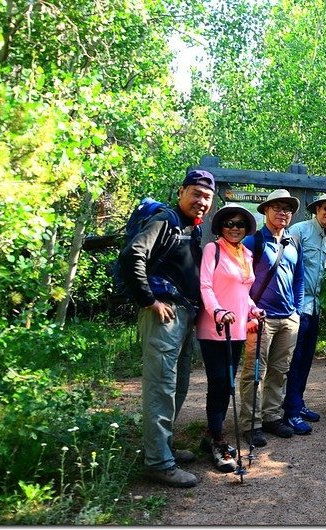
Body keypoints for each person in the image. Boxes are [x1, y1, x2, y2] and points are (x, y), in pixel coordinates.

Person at [117, 169, 215, 488]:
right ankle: (158, 462)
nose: (201, 201)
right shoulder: (165, 219)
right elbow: (133, 255)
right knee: (161, 386)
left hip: (183, 315)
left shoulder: (192, 229)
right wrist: (149, 300)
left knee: (179, 384)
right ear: (181, 192)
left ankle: (163, 447)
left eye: (207, 197)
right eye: (196, 194)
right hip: (163, 314)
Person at [197, 203, 265, 471]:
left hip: (236, 329)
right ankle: (217, 439)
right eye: (229, 223)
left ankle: (213, 435)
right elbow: (205, 285)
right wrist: (217, 311)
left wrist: (253, 309)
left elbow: (243, 292)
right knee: (219, 383)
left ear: (246, 228)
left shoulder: (246, 254)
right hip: (215, 328)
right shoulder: (212, 250)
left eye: (240, 224)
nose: (234, 228)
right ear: (221, 227)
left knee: (227, 383)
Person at [237, 189, 304, 446]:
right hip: (261, 318)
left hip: (288, 319)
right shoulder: (253, 242)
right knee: (255, 372)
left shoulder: (293, 242)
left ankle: (271, 416)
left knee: (279, 371)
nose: (282, 212)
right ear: (265, 210)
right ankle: (250, 423)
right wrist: (251, 308)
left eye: (287, 209)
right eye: (277, 207)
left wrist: (296, 310)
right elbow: (241, 280)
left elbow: (298, 279)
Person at [283, 193, 326, 434]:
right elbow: (286, 267)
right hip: (296, 306)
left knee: (305, 361)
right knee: (294, 360)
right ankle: (289, 411)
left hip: (313, 309)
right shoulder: (299, 230)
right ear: (317, 209)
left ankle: (298, 403)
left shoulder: (324, 238)